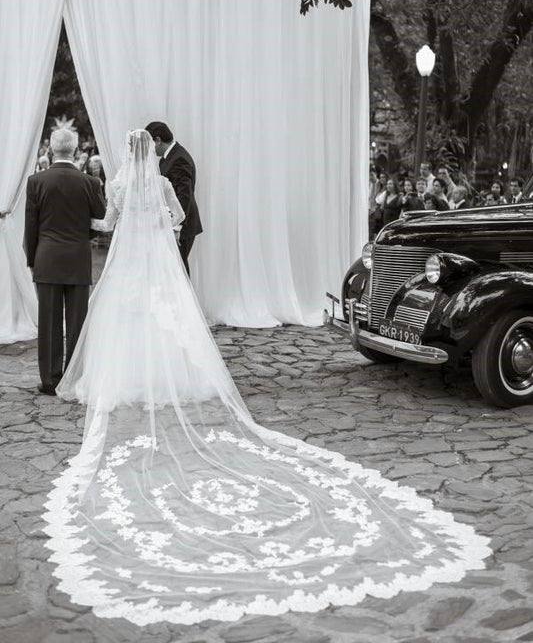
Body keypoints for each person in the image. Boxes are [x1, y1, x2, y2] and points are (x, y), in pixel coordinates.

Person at [43, 130, 490, 625]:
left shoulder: (122, 185)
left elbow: (107, 225)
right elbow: (178, 222)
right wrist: (160, 236)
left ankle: (128, 377)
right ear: (154, 152)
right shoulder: (164, 186)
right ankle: (172, 377)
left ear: (129, 154)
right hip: (158, 268)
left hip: (128, 269)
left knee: (127, 321)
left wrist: (105, 228)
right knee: (168, 321)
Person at [24, 128, 106, 395]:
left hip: (46, 257)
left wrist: (33, 258)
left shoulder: (36, 181)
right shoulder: (90, 183)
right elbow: (101, 220)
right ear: (75, 148)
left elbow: (31, 225)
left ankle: (50, 380)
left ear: (51, 148)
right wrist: (83, 235)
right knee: (77, 321)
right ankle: (74, 378)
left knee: (48, 322)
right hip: (78, 258)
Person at [145, 121, 202, 275]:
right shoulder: (167, 157)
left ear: (157, 140)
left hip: (182, 225)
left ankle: (186, 300)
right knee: (172, 269)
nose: (149, 150)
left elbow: (184, 195)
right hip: (172, 222)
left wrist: (177, 226)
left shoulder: (179, 159)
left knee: (179, 270)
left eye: (150, 144)